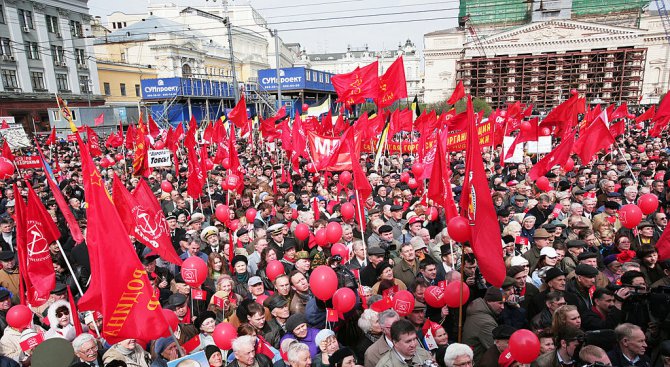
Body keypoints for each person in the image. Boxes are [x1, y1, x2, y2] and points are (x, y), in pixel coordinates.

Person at [462, 287, 505, 364]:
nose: (503, 307)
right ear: (489, 301)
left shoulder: (478, 310)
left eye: (503, 303)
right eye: (500, 303)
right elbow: (498, 348)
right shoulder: (486, 323)